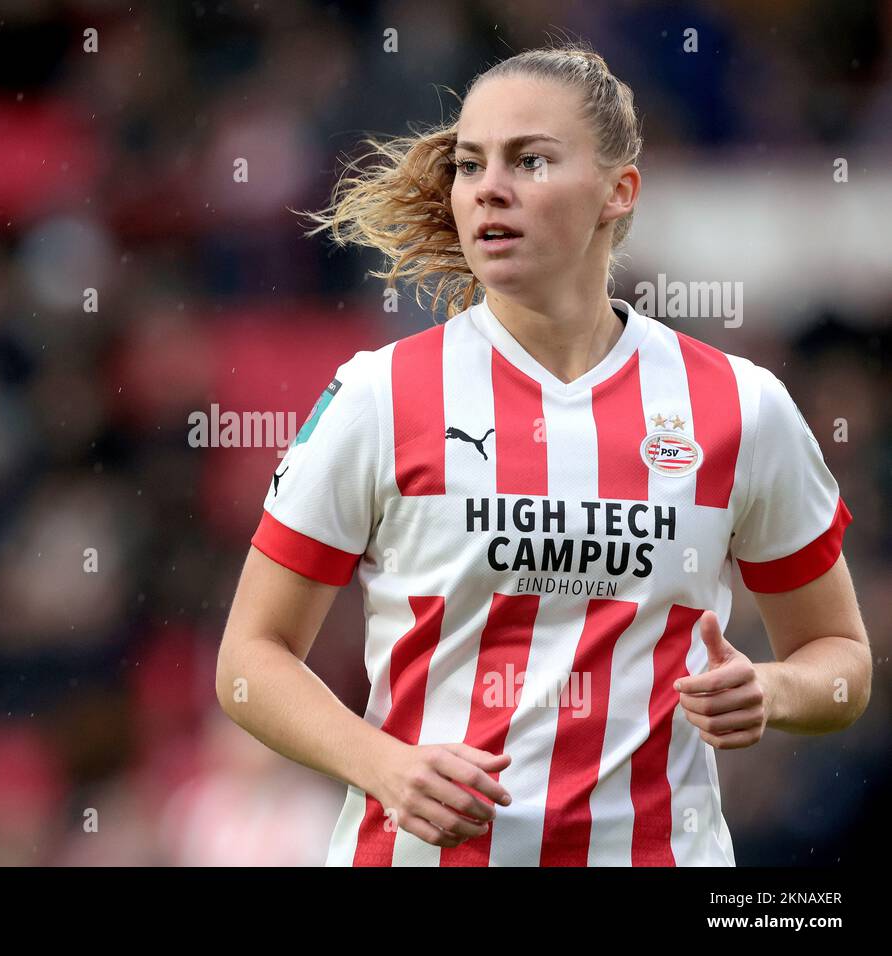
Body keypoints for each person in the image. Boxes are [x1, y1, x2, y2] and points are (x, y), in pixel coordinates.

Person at [215, 41, 871, 866]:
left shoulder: (741, 407)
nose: (489, 186)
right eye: (469, 163)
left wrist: (773, 689)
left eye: (530, 160)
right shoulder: (379, 396)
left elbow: (843, 665)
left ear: (617, 191)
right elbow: (249, 659)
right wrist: (382, 764)